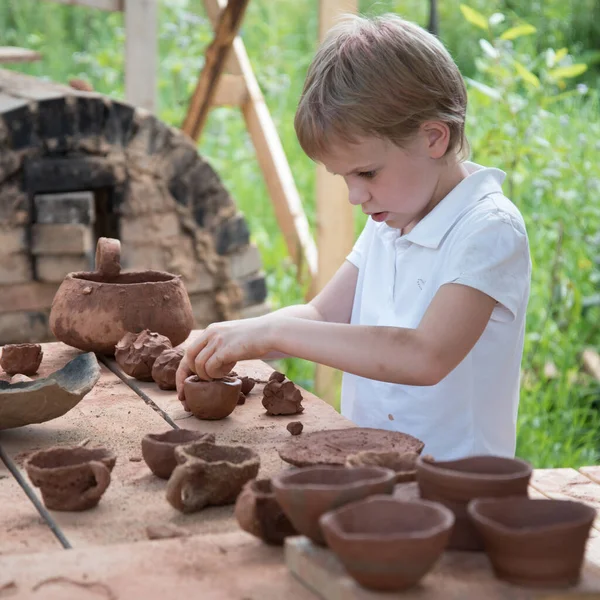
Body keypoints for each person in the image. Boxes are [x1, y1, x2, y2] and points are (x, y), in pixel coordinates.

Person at [176, 13, 531, 460]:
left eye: (366, 172)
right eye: (344, 177)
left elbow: (425, 356)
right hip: (370, 473)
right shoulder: (392, 214)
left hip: (455, 495)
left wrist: (275, 332)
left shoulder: (489, 229)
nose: (354, 195)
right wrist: (241, 333)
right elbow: (323, 315)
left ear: (434, 138)